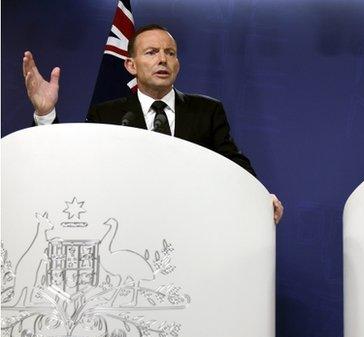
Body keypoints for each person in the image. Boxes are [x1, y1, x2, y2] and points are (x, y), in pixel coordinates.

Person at [23, 24, 284, 223]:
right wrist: (45, 113)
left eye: (170, 53)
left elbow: (234, 165)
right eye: (152, 52)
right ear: (130, 65)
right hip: (129, 225)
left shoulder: (207, 110)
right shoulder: (107, 115)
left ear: (178, 64)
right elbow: (77, 166)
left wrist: (259, 197)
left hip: (191, 224)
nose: (163, 59)